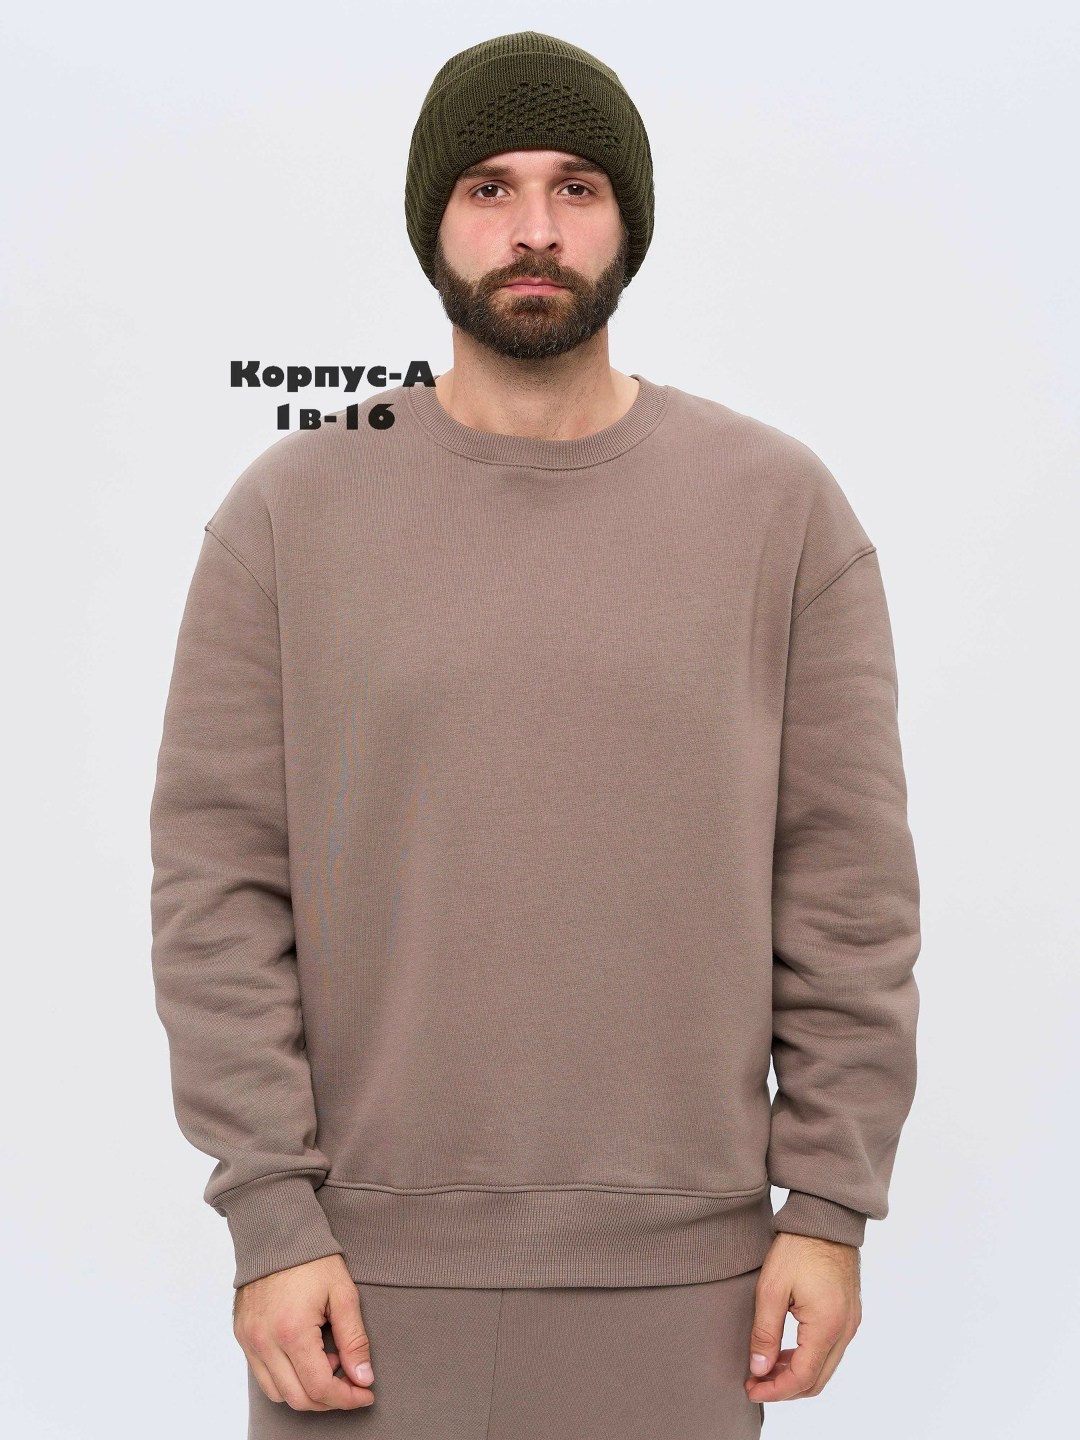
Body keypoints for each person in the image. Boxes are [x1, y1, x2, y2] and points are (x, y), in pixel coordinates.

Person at [149, 30, 921, 1439]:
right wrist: (269, 1215)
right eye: (489, 189)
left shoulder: (779, 509)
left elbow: (847, 890)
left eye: (576, 187)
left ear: (629, 219)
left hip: (689, 1289)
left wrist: (828, 1205)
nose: (535, 231)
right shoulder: (291, 511)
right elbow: (218, 888)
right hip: (355, 1290)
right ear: (432, 221)